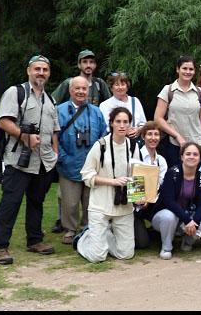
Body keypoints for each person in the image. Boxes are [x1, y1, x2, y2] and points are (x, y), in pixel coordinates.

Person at [0, 54, 60, 265]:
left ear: (49, 73)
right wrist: (25, 137)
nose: (41, 73)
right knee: (10, 202)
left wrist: (55, 152)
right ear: (29, 71)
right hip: (18, 160)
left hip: (44, 162)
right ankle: (0, 247)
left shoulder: (50, 99)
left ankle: (35, 240)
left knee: (36, 202)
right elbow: (4, 122)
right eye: (37, 69)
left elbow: (54, 130)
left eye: (45, 70)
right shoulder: (16, 92)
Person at [73, 107, 138, 263]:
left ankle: (102, 237)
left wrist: (138, 197)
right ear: (111, 123)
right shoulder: (100, 145)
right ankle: (84, 238)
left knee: (126, 254)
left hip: (124, 206)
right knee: (97, 257)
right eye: (118, 121)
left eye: (125, 122)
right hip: (100, 205)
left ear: (129, 124)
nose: (122, 125)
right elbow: (86, 175)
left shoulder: (133, 146)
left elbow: (137, 175)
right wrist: (112, 181)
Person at [55, 76, 107, 245]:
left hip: (92, 165)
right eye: (77, 88)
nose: (80, 91)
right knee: (70, 201)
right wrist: (63, 158)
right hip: (69, 163)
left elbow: (104, 135)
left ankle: (87, 227)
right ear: (70, 90)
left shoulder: (96, 111)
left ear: (88, 91)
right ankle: (70, 229)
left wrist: (99, 158)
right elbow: (54, 137)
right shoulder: (59, 111)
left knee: (89, 200)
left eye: (84, 89)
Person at [149, 142, 201, 258]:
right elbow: (169, 201)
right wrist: (187, 220)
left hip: (186, 216)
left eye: (195, 154)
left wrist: (194, 221)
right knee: (169, 216)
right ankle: (166, 248)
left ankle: (187, 243)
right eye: (188, 154)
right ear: (182, 157)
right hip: (164, 216)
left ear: (200, 158)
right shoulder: (172, 173)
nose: (191, 157)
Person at [154, 55, 201, 165]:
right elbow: (158, 119)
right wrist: (177, 136)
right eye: (184, 68)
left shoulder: (199, 92)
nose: (188, 72)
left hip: (197, 146)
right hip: (175, 146)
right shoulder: (168, 90)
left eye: (191, 69)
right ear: (178, 69)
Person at [130, 122, 168, 249]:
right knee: (143, 243)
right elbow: (133, 181)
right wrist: (140, 199)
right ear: (143, 137)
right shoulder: (136, 155)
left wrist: (149, 198)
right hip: (134, 206)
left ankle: (154, 229)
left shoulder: (161, 160)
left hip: (152, 203)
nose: (153, 138)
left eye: (156, 134)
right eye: (149, 134)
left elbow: (160, 184)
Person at [99, 72, 146, 142]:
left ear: (127, 87)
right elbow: (105, 128)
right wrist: (124, 131)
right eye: (117, 85)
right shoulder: (104, 105)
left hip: (134, 142)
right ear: (111, 88)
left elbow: (143, 123)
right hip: (114, 142)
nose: (120, 87)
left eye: (123, 84)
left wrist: (138, 130)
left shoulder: (135, 101)